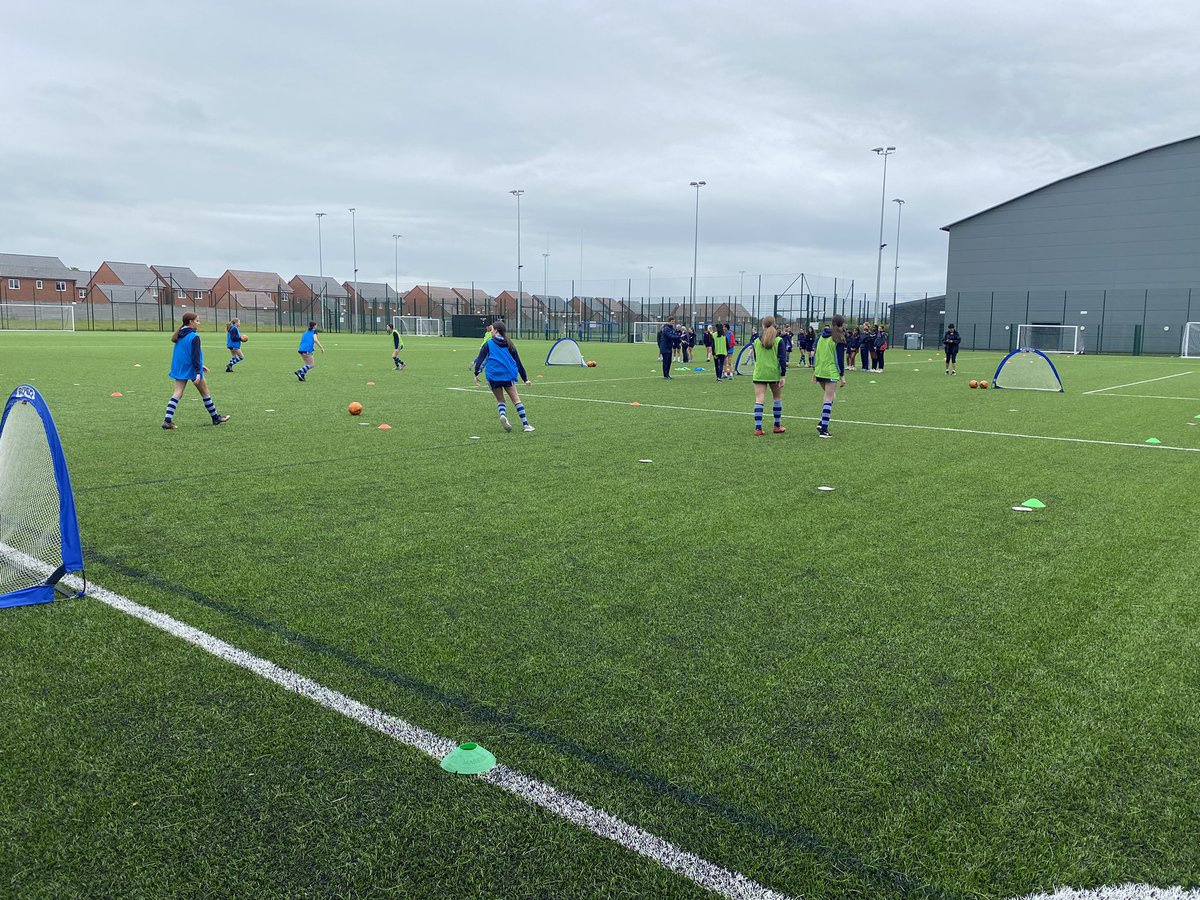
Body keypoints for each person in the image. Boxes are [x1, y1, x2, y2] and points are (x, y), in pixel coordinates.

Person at [162, 311, 229, 429]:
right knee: (205, 393)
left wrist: (200, 366)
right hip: (192, 368)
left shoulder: (180, 334)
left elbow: (185, 353)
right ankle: (215, 418)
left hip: (180, 367)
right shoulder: (194, 336)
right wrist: (198, 371)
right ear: (190, 322)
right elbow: (195, 355)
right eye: (197, 320)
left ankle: (167, 420)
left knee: (177, 393)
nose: (199, 323)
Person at [473, 320, 534, 431]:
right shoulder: (509, 343)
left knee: (501, 400)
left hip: (493, 376)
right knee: (516, 400)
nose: (491, 331)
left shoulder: (489, 344)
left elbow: (482, 360)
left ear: (496, 330)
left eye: (492, 329)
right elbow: (518, 362)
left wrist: (476, 373)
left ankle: (503, 415)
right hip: (507, 375)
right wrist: (525, 378)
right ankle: (526, 425)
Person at [751, 315, 788, 435]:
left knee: (759, 399)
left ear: (763, 325)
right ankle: (777, 425)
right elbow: (782, 360)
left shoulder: (756, 341)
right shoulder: (779, 340)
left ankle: (758, 428)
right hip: (773, 373)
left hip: (760, 373)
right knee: (777, 398)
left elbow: (756, 358)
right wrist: (783, 375)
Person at [813, 315, 847, 438]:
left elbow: (817, 355)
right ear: (841, 325)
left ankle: (822, 422)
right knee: (828, 398)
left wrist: (815, 371)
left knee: (832, 396)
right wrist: (842, 375)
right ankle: (824, 430)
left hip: (820, 371)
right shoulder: (838, 338)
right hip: (831, 371)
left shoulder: (821, 337)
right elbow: (840, 360)